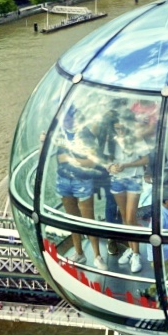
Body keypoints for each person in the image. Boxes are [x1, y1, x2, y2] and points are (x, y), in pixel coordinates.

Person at [53, 106, 110, 270]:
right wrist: (43, 142)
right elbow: (55, 156)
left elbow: (93, 161)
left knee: (88, 219)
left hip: (82, 181)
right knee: (72, 219)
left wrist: (69, 160)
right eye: (62, 119)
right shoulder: (57, 134)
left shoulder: (84, 134)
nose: (65, 122)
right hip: (63, 180)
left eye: (68, 118)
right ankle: (79, 253)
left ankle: (97, 256)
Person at [107, 108, 157, 274]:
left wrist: (126, 165)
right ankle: (131, 248)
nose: (120, 131)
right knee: (123, 216)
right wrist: (110, 166)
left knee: (130, 217)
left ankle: (136, 254)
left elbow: (146, 159)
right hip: (117, 180)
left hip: (134, 178)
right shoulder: (111, 140)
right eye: (117, 128)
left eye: (122, 128)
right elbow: (105, 159)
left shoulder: (135, 138)